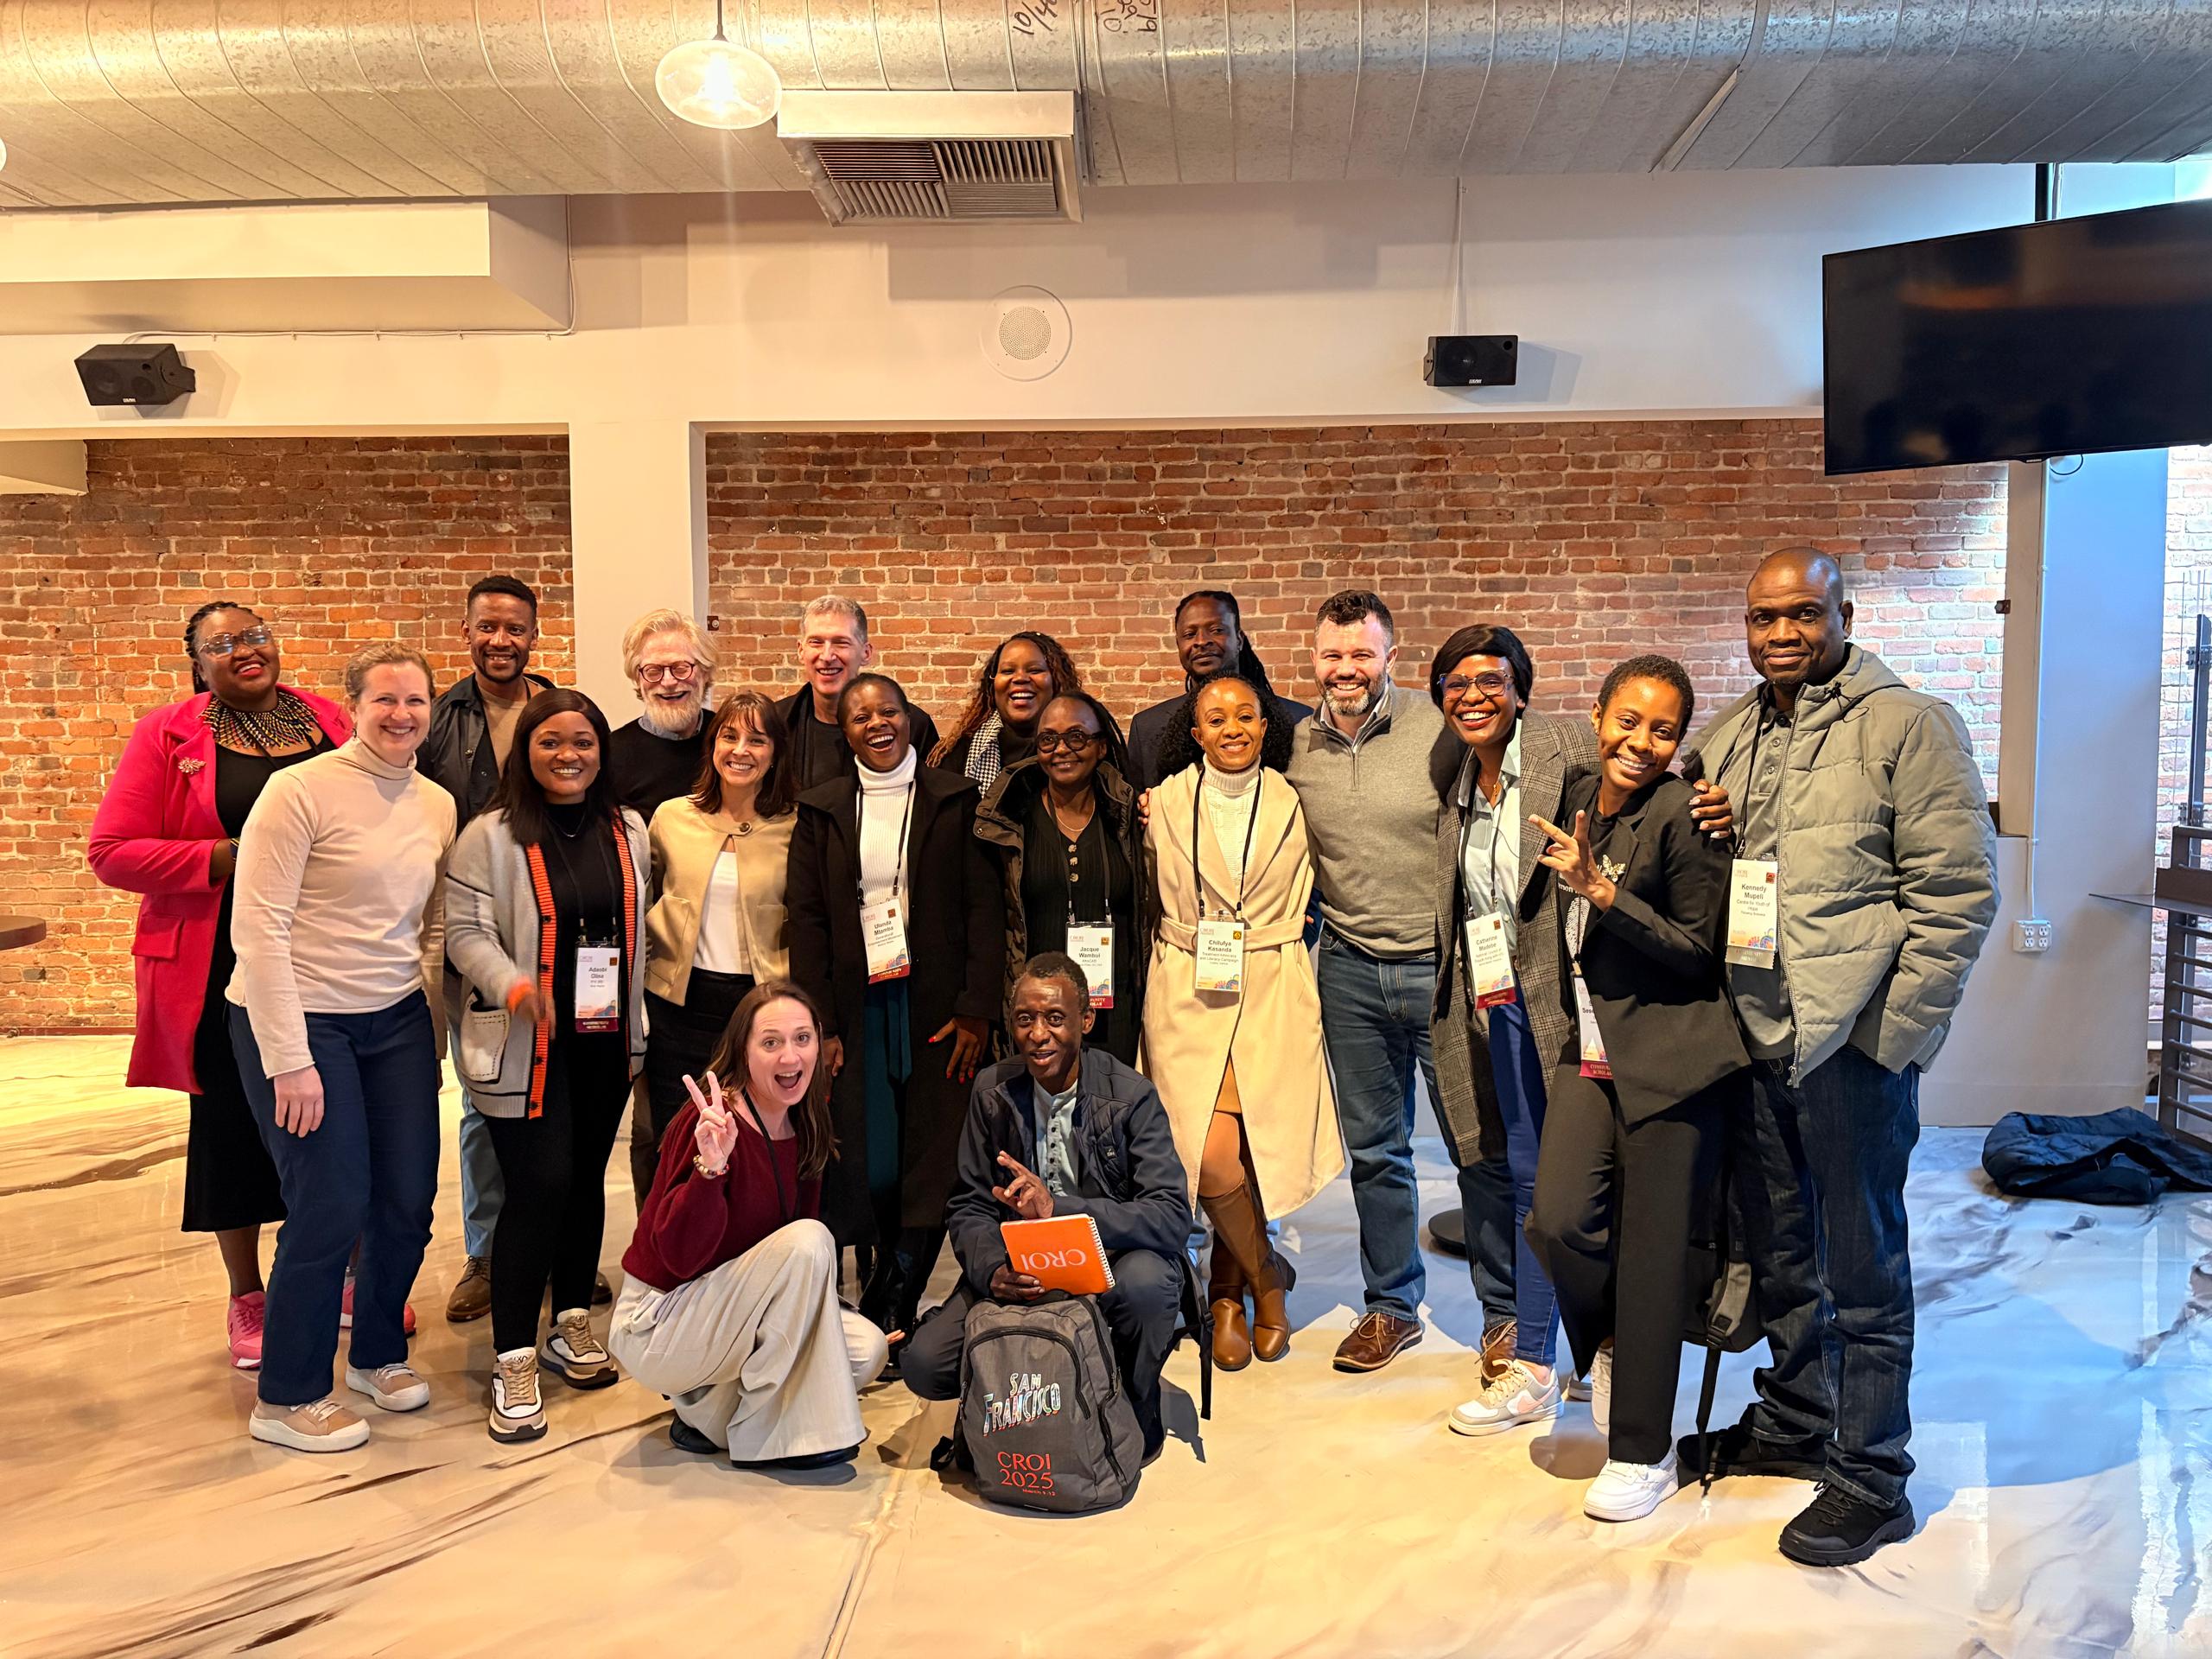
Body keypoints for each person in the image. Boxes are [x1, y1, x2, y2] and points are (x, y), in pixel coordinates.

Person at [1683, 549, 1998, 1567]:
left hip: (1849, 1047)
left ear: (1844, 617)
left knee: (1861, 1267)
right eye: (1763, 617)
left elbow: (1957, 895)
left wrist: (1892, 1038)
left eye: (1803, 614)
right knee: (1782, 1254)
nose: (1781, 633)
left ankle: (1870, 1474)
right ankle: (1795, 1419)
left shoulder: (1910, 725)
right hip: (1756, 1036)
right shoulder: (1726, 736)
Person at [88, 601, 351, 1370]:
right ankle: (249, 1294)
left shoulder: (331, 722)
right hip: (218, 964)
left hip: (330, 957)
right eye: (223, 644)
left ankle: (334, 1271)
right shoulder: (166, 735)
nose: (245, 651)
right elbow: (111, 851)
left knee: (338, 1118)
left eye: (256, 635)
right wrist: (227, 856)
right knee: (232, 1125)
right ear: (197, 664)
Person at [1522, 655, 1749, 1522]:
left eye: (1663, 730)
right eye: (1628, 720)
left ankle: (1643, 1455)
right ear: (1598, 715)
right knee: (1557, 1221)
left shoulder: (1686, 815)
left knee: (1655, 1258)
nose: (1641, 742)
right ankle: (1613, 1338)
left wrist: (1604, 893)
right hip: (1589, 1055)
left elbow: (1697, 953)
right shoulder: (1580, 793)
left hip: (1673, 1066)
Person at [226, 643, 455, 1452]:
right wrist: (288, 1056)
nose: (401, 714)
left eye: (416, 701)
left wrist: (430, 1032)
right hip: (303, 1017)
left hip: (394, 1019)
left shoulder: (436, 803)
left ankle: (377, 1354)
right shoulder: (299, 791)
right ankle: (287, 1395)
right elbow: (258, 927)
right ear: (351, 706)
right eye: (384, 699)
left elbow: (428, 928)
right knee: (330, 1202)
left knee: (406, 1200)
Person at [442, 690, 650, 1443]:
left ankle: (569, 1321)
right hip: (523, 1044)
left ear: (602, 750)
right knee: (538, 1186)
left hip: (603, 1037)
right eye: (551, 742)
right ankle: (514, 1357)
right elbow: (464, 934)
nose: (569, 755)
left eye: (583, 742)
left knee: (586, 1180)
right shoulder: (489, 836)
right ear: (525, 752)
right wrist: (514, 984)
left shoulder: (628, 829)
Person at [1282, 589, 1481, 1374]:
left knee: (1476, 1146)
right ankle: (1392, 1305)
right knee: (1376, 1151)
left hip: (1440, 970)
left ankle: (1507, 1313)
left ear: (1391, 658)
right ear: (1314, 659)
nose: (1347, 669)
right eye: (1332, 654)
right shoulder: (1296, 743)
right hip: (1349, 971)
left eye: (1362, 654)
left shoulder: (1441, 730)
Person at [903, 953, 1192, 1460]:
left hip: (1112, 1260)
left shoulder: (1132, 1096)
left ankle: (1134, 1398)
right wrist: (993, 1270)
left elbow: (1171, 1216)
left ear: (1086, 1020)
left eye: (1055, 1018)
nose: (1039, 1035)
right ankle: (1018, 1409)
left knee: (1148, 1287)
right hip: (1023, 1263)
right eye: (1025, 1019)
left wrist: (1060, 1209)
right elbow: (969, 1203)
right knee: (925, 1364)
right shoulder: (992, 1090)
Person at [787, 672, 1003, 1345]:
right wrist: (820, 1025)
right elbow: (807, 921)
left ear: (909, 718)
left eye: (888, 711)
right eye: (860, 717)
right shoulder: (821, 809)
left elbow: (984, 908)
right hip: (858, 1006)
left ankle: (896, 1295)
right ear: (844, 731)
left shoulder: (954, 798)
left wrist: (977, 1008)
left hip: (940, 1005)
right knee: (870, 1154)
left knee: (934, 1152)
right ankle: (880, 1276)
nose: (877, 724)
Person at [1142, 674, 1343, 1369]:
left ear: (1265, 726)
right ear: (1195, 731)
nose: (1232, 728)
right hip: (1187, 986)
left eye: (1246, 716)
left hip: (1273, 982)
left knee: (1256, 1144)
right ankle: (1268, 1280)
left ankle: (1226, 1295)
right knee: (1206, 1154)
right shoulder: (1162, 802)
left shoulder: (1296, 800)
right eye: (1216, 717)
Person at [608, 982, 888, 1468]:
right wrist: (710, 1170)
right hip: (659, 1319)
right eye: (771, 1042)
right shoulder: (712, 1120)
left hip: (735, 1312)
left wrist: (825, 1315)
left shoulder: (806, 1122)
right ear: (743, 1050)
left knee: (868, 1350)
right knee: (811, 1241)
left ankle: (707, 1415)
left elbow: (784, 1269)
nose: (790, 1057)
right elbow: (677, 1256)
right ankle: (772, 1438)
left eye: (803, 1038)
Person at [1429, 625, 1593, 1430]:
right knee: (1531, 1181)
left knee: (1590, 1186)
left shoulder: (1571, 752)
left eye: (1491, 681)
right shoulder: (1457, 781)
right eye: (1456, 684)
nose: (1473, 696)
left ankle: (1599, 1353)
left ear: (1520, 691)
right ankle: (1534, 1365)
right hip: (1503, 1009)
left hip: (1582, 1008)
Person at [423, 574, 554, 1326]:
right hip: (469, 939)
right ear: (467, 631)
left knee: (553, 1100)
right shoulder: (440, 720)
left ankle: (550, 1245)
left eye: (514, 628)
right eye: (487, 627)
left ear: (534, 634)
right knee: (484, 1100)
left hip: (551, 933)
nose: (500, 641)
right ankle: (487, 1253)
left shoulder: (556, 708)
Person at [639, 690, 798, 1204]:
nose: (741, 750)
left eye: (757, 739)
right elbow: (643, 901)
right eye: (730, 736)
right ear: (712, 745)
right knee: (675, 1139)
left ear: (776, 752)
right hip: (677, 1006)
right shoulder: (671, 817)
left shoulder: (797, 825)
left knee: (755, 1140)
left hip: (760, 1009)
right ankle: (671, 1242)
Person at [973, 692, 1147, 1067]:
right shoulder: (1011, 820)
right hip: (1037, 1017)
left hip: (1114, 1010)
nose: (1062, 749)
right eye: (1049, 739)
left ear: (1101, 746)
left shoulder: (1127, 817)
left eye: (1077, 737)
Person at [1125, 591, 1310, 794]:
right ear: (1178, 645)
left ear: (1239, 640)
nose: (1201, 641)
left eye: (1216, 630)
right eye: (1189, 634)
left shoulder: (1299, 721)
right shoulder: (1147, 728)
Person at [775, 595, 942, 792]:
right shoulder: (776, 723)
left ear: (866, 653)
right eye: (816, 642)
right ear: (801, 651)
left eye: (841, 643)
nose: (827, 656)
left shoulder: (913, 726)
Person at [931, 631, 1125, 785]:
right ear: (992, 684)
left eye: (1035, 670)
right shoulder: (959, 755)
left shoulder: (1084, 747)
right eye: (1008, 671)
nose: (1020, 678)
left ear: (1056, 681)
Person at [609, 608, 717, 816]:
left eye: (681, 668)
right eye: (653, 671)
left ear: (705, 672)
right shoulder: (611, 755)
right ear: (638, 679)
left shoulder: (728, 741)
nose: (668, 682)